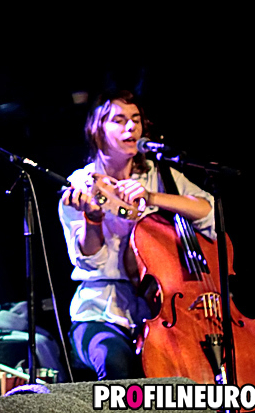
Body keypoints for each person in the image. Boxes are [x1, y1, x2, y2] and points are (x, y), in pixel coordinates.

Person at [58, 90, 215, 380]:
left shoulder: (161, 176)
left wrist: (154, 196)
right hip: (101, 311)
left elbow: (208, 212)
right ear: (98, 130)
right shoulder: (81, 184)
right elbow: (90, 261)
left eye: (136, 119)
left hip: (167, 308)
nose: (131, 127)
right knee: (117, 364)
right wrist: (93, 220)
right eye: (119, 120)